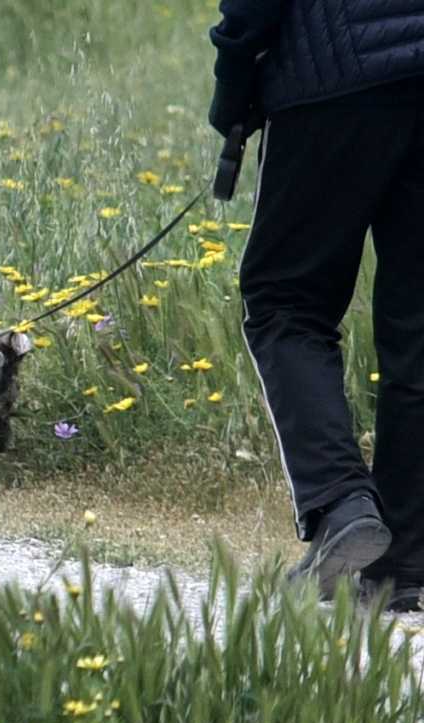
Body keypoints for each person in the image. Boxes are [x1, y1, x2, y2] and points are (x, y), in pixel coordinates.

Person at [208, 0, 424, 611]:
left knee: (284, 301)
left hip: (336, 74)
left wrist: (233, 81)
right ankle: (400, 566)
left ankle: (339, 501)